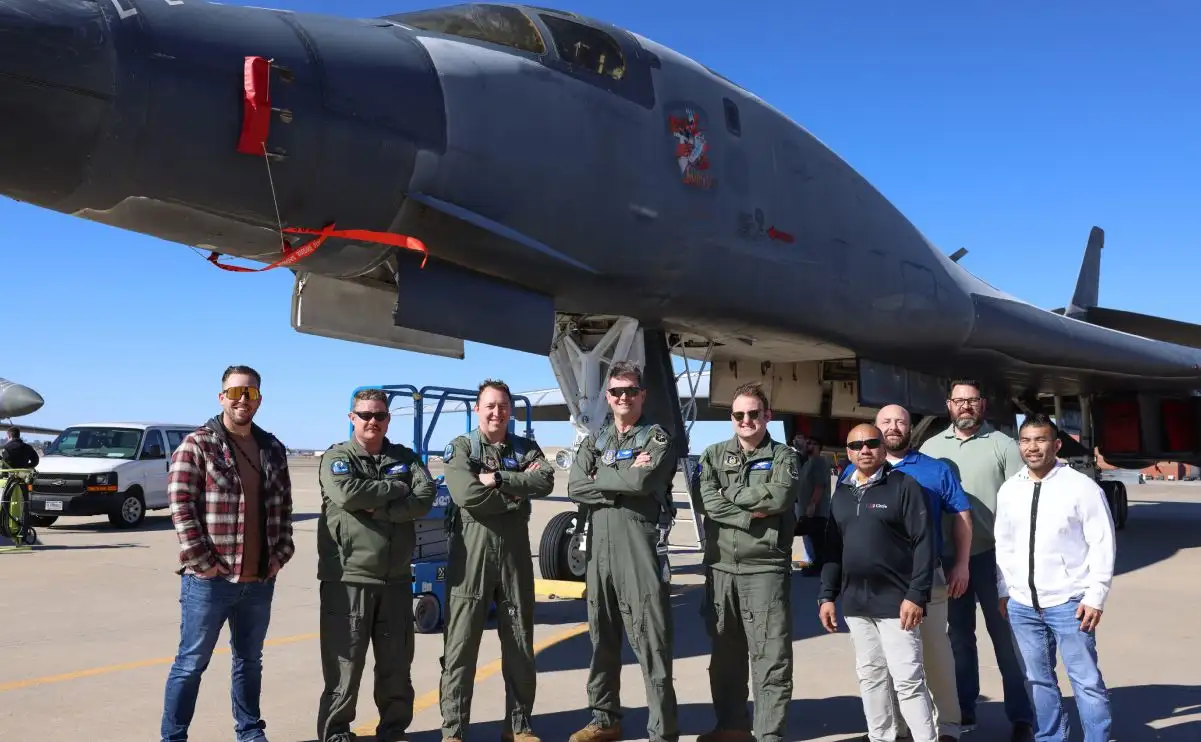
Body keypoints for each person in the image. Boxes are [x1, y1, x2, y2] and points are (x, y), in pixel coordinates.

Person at [160, 365, 294, 742]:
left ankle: (250, 732)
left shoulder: (272, 448)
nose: (242, 400)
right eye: (235, 392)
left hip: (258, 580)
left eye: (250, 393)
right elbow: (181, 505)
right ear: (222, 398)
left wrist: (281, 553)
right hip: (210, 581)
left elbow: (283, 507)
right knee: (190, 664)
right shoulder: (198, 444)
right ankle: (173, 737)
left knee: (249, 662)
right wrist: (203, 562)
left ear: (259, 400)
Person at [566, 361, 681, 742]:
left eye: (630, 391)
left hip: (638, 548)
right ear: (608, 397)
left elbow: (644, 480)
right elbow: (575, 487)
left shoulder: (657, 438)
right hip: (600, 549)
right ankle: (604, 719)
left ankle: (662, 731)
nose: (623, 397)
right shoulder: (596, 440)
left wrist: (604, 479)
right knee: (602, 637)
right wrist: (623, 478)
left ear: (642, 395)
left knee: (651, 640)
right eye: (616, 392)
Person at [316, 388, 437, 742]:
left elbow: (425, 496)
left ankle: (394, 730)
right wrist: (396, 489)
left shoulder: (405, 457)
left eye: (379, 415)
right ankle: (336, 733)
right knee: (345, 667)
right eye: (365, 415)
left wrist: (382, 507)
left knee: (396, 666)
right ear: (351, 417)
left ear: (387, 419)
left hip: (397, 580)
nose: (373, 421)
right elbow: (348, 495)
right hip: (349, 579)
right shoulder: (337, 458)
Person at [439, 379, 555, 742]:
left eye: (503, 406)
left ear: (510, 411)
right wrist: (514, 495)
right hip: (470, 556)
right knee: (460, 647)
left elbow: (547, 481)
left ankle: (519, 726)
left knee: (520, 643)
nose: (496, 412)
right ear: (477, 409)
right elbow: (466, 493)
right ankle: (454, 731)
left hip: (514, 555)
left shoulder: (524, 448)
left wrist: (500, 478)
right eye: (489, 405)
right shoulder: (462, 448)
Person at [919, 380, 1035, 739]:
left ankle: (1022, 716)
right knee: (958, 640)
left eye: (972, 401)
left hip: (992, 559)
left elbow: (1020, 502)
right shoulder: (930, 448)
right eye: (959, 401)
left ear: (982, 406)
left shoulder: (1003, 446)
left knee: (1007, 639)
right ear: (948, 406)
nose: (965, 406)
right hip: (949, 561)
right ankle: (964, 707)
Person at [995, 414, 1116, 742]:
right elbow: (1003, 544)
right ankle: (1050, 738)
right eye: (1026, 440)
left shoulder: (1081, 487)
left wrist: (1096, 595)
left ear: (1056, 444)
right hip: (1022, 606)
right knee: (1038, 680)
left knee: (1086, 683)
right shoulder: (1010, 489)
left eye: (1040, 440)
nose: (1032, 448)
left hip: (1070, 603)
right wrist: (1004, 588)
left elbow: (1102, 542)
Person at [696, 382, 801, 742]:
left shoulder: (784, 456)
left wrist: (732, 495)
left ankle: (769, 734)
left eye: (754, 413)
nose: (746, 420)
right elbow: (708, 501)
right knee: (725, 656)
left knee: (770, 656)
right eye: (739, 414)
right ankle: (732, 727)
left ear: (767, 415)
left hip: (765, 569)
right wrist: (747, 513)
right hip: (721, 568)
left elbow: (780, 497)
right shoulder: (712, 454)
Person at [818, 423, 937, 742]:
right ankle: (881, 737)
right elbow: (833, 548)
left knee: (908, 682)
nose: (865, 450)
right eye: (856, 446)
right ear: (847, 452)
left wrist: (917, 594)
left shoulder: (904, 486)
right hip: (856, 604)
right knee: (871, 678)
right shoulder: (841, 492)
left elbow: (924, 542)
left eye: (872, 443)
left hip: (897, 604)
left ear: (883, 448)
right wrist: (827, 595)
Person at [874, 404, 973, 742]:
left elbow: (962, 516)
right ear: (876, 427)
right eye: (886, 422)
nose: (893, 427)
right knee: (885, 662)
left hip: (928, 577)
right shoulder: (860, 470)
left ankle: (947, 727)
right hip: (880, 583)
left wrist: (961, 563)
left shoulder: (935, 470)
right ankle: (896, 728)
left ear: (910, 428)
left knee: (935, 654)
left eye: (900, 421)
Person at [796, 434, 832, 576]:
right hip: (808, 509)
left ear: (818, 447)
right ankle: (817, 565)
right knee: (813, 539)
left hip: (817, 510)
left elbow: (819, 485)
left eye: (811, 443)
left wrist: (812, 504)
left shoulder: (818, 461)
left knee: (818, 540)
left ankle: (820, 568)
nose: (808, 445)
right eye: (807, 443)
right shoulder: (808, 462)